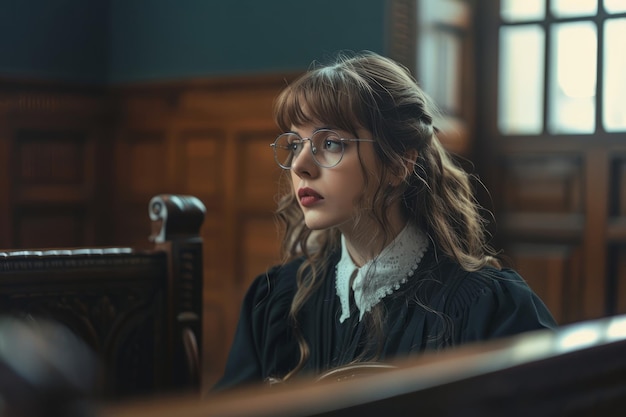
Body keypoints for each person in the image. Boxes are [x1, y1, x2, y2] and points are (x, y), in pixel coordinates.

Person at [213, 51, 556, 391]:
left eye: (329, 143)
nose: (301, 165)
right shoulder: (274, 300)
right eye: (295, 145)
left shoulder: (490, 309)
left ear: (398, 164)